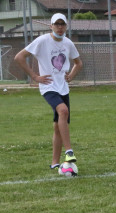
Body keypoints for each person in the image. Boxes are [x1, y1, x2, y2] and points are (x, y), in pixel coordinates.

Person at [14, 13, 83, 170]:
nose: (60, 27)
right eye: (56, 24)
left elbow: (78, 63)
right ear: (51, 25)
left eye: (62, 24)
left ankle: (54, 162)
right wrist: (34, 76)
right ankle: (69, 151)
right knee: (63, 111)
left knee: (58, 126)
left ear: (66, 26)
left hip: (63, 88)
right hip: (48, 86)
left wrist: (71, 75)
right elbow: (19, 57)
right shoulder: (42, 41)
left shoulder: (68, 43)